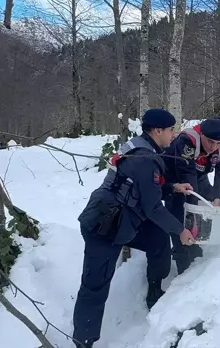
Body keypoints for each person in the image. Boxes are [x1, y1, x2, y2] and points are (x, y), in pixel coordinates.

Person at [72, 108, 196, 348]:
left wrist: (173, 187)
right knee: (94, 286)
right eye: (171, 130)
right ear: (158, 131)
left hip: (126, 220)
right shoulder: (144, 159)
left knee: (158, 239)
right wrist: (181, 230)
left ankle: (154, 291)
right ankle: (83, 341)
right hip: (105, 226)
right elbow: (153, 208)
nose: (174, 134)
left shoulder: (142, 148)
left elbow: (143, 190)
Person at [164, 116, 220, 274]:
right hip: (175, 177)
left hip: (199, 175)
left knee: (206, 205)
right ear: (201, 134)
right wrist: (192, 207)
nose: (213, 147)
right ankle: (182, 258)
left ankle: (196, 246)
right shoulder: (186, 141)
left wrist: (217, 196)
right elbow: (186, 174)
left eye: (218, 143)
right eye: (209, 141)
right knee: (180, 214)